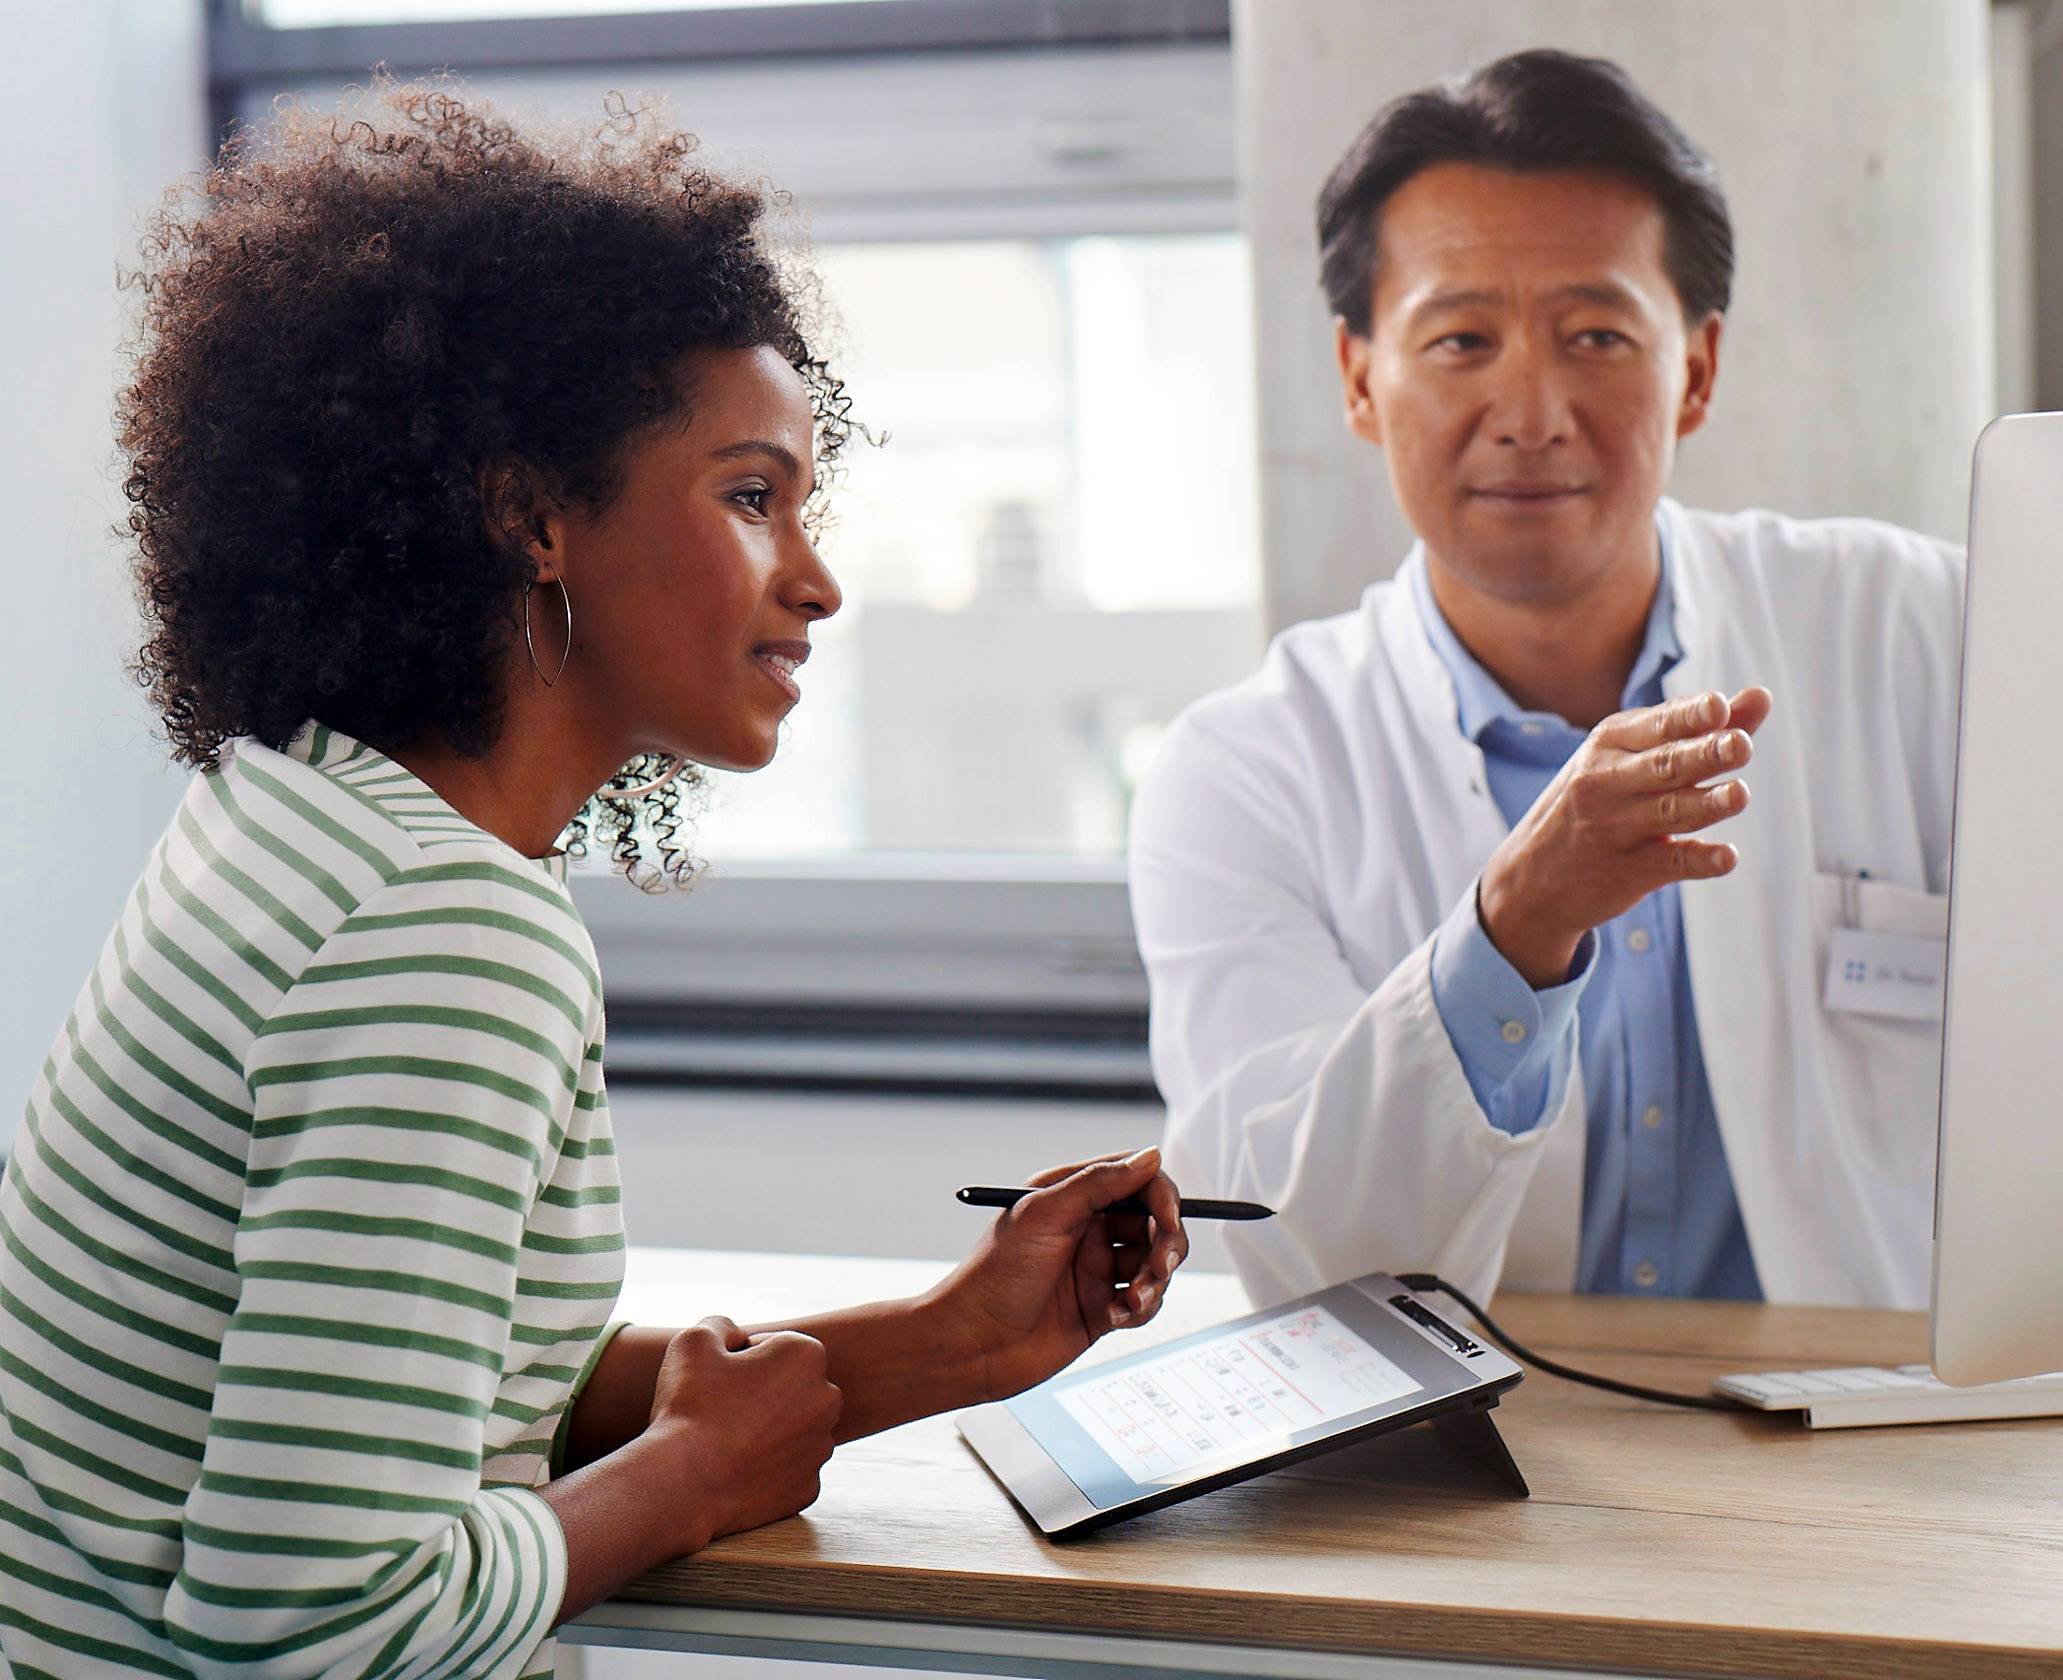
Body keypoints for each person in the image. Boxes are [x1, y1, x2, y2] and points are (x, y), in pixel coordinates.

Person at [0, 84, 1188, 1680]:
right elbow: (303, 1629)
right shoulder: (442, 939)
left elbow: (427, 1390)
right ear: (533, 517)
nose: (818, 579)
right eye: (752, 495)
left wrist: (952, 1341)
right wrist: (688, 1480)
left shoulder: (292, 815)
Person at [1129, 49, 1960, 1311]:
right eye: (1461, 339)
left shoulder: (1915, 630)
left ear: (1697, 367)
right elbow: (1285, 1249)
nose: (1532, 411)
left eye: (1596, 335)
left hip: (1872, 1425)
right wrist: (1512, 930)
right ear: (1360, 377)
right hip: (1485, 1455)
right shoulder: (1242, 773)